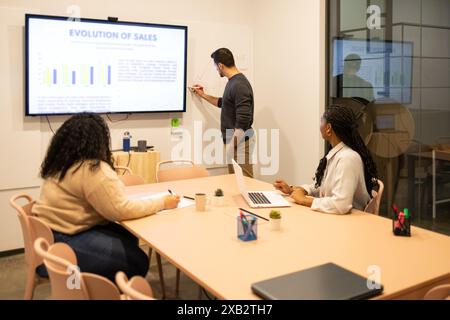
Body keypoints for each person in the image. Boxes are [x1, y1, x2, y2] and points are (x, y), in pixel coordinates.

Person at [32, 113, 180, 281]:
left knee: (128, 237)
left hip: (46, 236)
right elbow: (121, 210)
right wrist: (162, 202)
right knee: (138, 261)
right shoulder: (92, 168)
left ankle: (108, 283)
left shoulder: (62, 163)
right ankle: (105, 289)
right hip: (61, 244)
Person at [274, 105, 378, 214]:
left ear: (328, 128)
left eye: (321, 121)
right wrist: (292, 190)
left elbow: (340, 205)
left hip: (349, 222)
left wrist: (304, 200)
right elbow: (322, 188)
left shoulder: (348, 158)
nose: (319, 125)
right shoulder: (337, 154)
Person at [193, 48, 255, 177]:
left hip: (240, 142)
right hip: (235, 141)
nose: (217, 70)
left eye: (216, 67)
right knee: (235, 182)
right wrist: (203, 95)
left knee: (246, 183)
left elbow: (242, 121)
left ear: (220, 65)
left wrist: (231, 146)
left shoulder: (239, 85)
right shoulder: (233, 83)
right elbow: (223, 103)